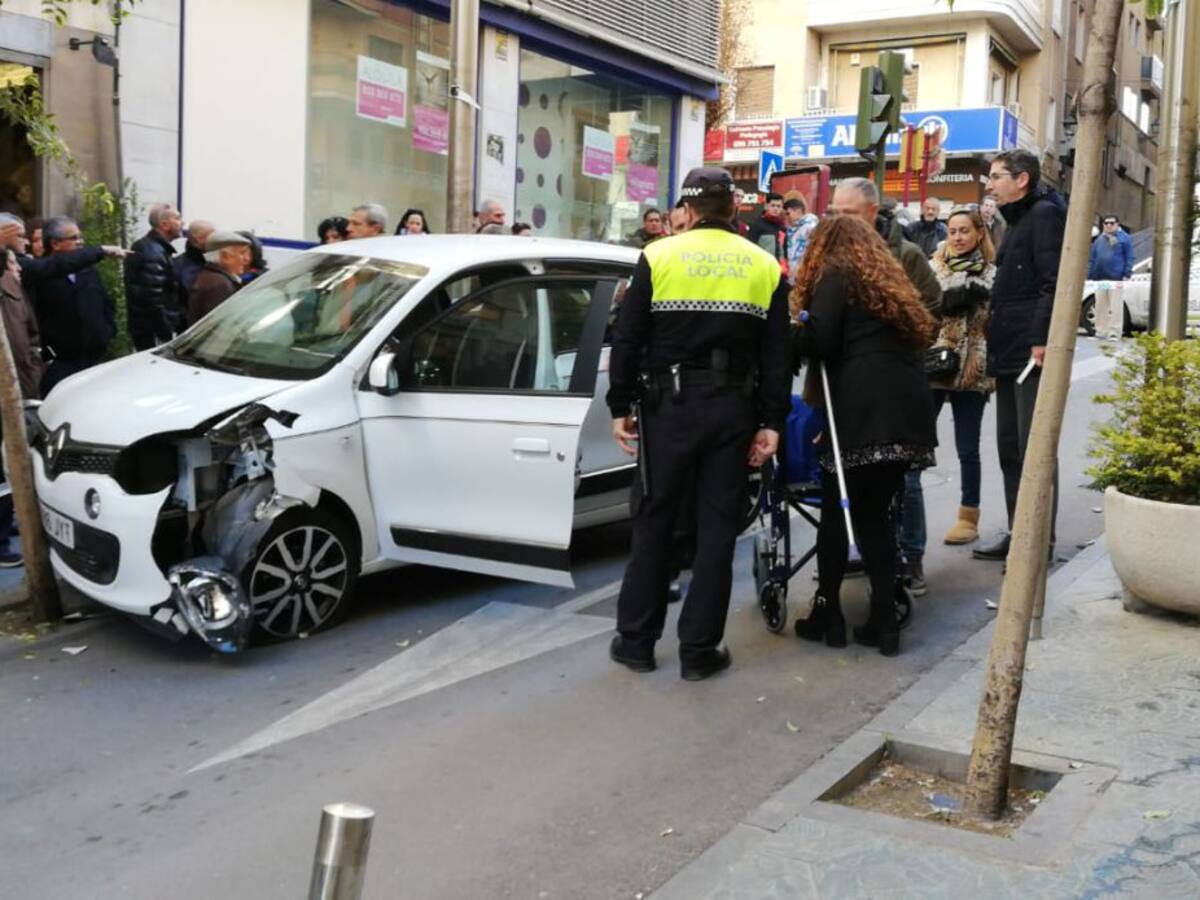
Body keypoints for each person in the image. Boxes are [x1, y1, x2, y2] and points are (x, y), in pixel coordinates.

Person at [606, 166, 791, 681]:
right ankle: (699, 650)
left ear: (687, 209)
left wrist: (620, 405)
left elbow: (627, 338)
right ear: (733, 207)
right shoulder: (763, 264)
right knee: (716, 529)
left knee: (654, 520)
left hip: (667, 408)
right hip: (733, 410)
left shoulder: (659, 254)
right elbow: (778, 354)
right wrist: (772, 420)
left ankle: (637, 642)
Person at [791, 215, 938, 657]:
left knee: (841, 513)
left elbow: (820, 340)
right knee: (874, 514)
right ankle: (882, 620)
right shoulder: (887, 282)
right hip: (907, 410)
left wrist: (791, 330)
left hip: (862, 409)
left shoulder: (837, 274)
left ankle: (829, 613)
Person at [828, 178, 941, 596]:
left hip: (893, 389)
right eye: (835, 214)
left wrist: (897, 341)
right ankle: (865, 556)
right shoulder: (832, 256)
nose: (841, 222)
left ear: (872, 213)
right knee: (854, 487)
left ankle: (911, 558)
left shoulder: (905, 256)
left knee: (905, 480)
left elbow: (932, 310)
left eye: (850, 214)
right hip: (847, 389)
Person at [974, 149, 1065, 563]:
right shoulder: (1017, 219)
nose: (989, 185)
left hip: (1031, 351)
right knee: (1010, 448)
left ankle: (1037, 544)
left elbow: (1052, 282)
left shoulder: (1044, 214)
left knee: (1033, 448)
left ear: (1022, 179)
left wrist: (1042, 339)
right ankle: (1020, 533)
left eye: (996, 177)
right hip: (1009, 350)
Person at [928, 207, 997, 546]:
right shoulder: (932, 268)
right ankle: (900, 514)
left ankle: (968, 517)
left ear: (979, 234)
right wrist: (949, 300)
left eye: (964, 231)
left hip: (972, 372)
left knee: (967, 448)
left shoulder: (991, 275)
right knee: (915, 443)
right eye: (952, 231)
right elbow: (922, 308)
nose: (957, 237)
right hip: (934, 368)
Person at [19, 216, 125, 395]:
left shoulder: (88, 270)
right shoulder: (40, 273)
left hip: (94, 357)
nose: (80, 242)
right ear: (55, 243)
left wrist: (108, 331)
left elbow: (105, 303)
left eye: (80, 237)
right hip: (60, 362)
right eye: (74, 238)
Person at [0, 248, 40, 566]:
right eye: (12, 262)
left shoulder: (13, 288)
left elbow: (29, 332)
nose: (18, 267)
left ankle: (9, 524)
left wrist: (34, 364)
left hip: (20, 386)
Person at [125, 203, 184, 350]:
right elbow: (152, 298)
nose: (182, 223)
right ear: (164, 224)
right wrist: (165, 332)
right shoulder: (152, 251)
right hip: (153, 332)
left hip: (152, 329)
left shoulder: (157, 249)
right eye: (177, 218)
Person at [187, 231, 252, 324]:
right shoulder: (220, 285)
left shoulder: (210, 277)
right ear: (224, 256)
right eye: (242, 253)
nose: (246, 259)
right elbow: (222, 327)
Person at [173, 219, 213, 310]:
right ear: (199, 239)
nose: (216, 239)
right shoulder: (186, 269)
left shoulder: (209, 260)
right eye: (213, 236)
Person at [746, 191, 787, 265]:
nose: (775, 209)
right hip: (762, 268)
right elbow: (749, 249)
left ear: (782, 208)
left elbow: (785, 251)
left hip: (780, 270)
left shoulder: (782, 227)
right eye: (773, 205)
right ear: (767, 206)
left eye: (778, 206)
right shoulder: (757, 225)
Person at [1087, 214, 1134, 281]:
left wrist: (1127, 274)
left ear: (1117, 224)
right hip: (1098, 278)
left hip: (1117, 278)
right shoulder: (1099, 239)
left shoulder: (1125, 238)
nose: (1109, 225)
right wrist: (1090, 276)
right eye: (1106, 223)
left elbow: (1129, 257)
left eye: (1112, 223)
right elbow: (1092, 259)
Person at [783, 195, 818, 283]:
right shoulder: (794, 227)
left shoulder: (810, 227)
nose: (787, 216)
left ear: (798, 210)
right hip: (793, 274)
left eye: (788, 213)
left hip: (804, 275)